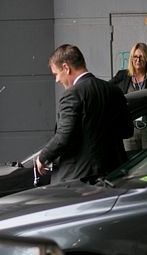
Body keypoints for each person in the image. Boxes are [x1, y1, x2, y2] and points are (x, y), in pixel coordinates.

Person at [36, 45, 133, 184]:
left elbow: (64, 135)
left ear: (66, 67)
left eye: (56, 74)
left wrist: (43, 157)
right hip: (114, 176)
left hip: (79, 180)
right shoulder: (114, 91)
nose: (57, 80)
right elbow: (127, 131)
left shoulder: (72, 95)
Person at [109, 42, 147, 150]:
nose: (138, 60)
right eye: (135, 57)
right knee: (131, 163)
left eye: (141, 57)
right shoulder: (123, 75)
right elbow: (107, 88)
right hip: (129, 129)